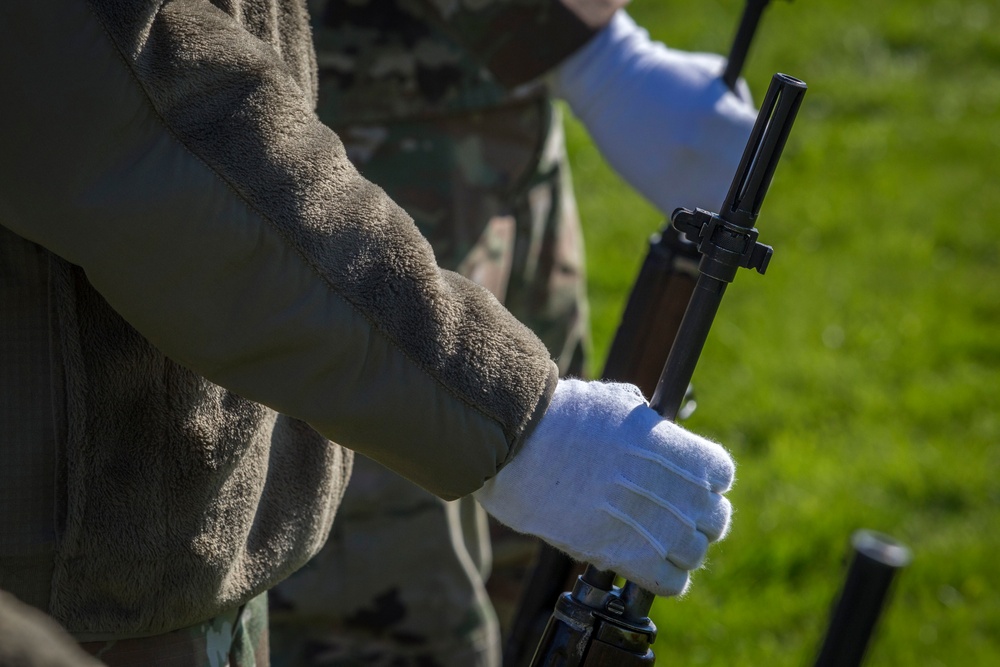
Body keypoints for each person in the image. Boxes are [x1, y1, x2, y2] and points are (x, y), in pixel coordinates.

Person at [0, 2, 744, 665]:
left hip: (158, 525)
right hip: (78, 572)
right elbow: (126, 104)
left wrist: (584, 41)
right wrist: (502, 408)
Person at [267, 2, 757, 666]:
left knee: (544, 583)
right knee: (395, 620)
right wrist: (599, 53)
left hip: (514, 115)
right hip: (345, 152)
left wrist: (585, 49)